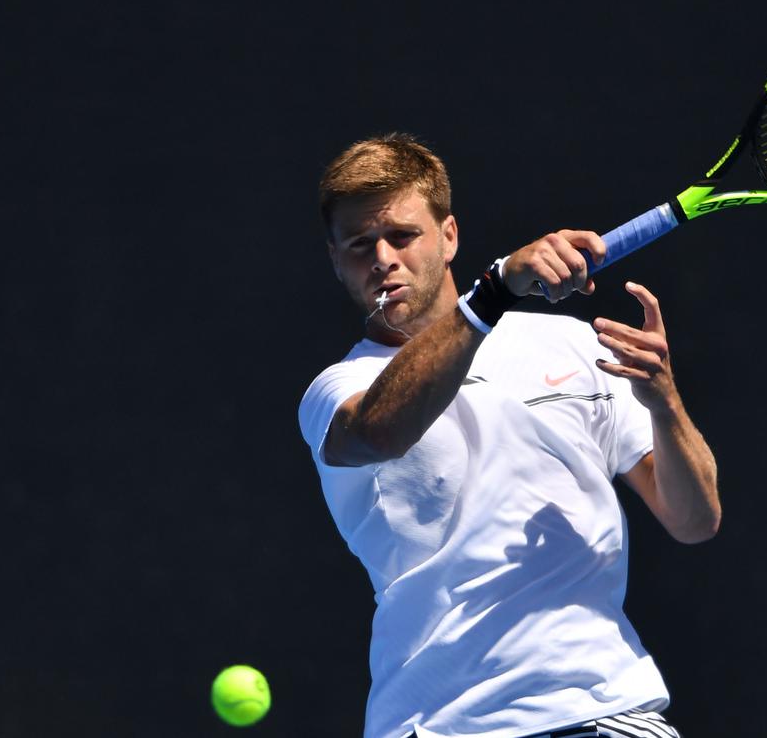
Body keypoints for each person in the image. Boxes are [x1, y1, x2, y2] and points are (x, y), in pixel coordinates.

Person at [298, 133, 720, 738]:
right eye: (360, 246)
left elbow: (694, 519)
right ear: (337, 262)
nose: (383, 258)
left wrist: (666, 403)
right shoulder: (338, 391)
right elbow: (379, 433)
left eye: (402, 235)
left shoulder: (571, 344)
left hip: (603, 711)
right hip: (434, 725)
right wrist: (490, 295)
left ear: (449, 236)